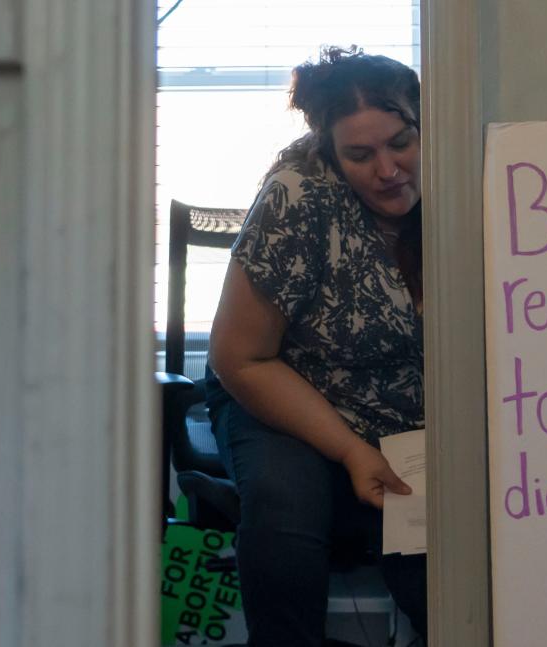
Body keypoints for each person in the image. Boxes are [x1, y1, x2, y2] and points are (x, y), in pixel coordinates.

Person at [206, 46, 427, 647]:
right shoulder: (297, 196)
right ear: (330, 152)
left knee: (442, 569)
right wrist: (353, 451)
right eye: (361, 155)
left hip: (405, 417)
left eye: (401, 143)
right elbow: (240, 359)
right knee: (285, 509)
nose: (388, 170)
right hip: (285, 393)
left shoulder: (461, 181)